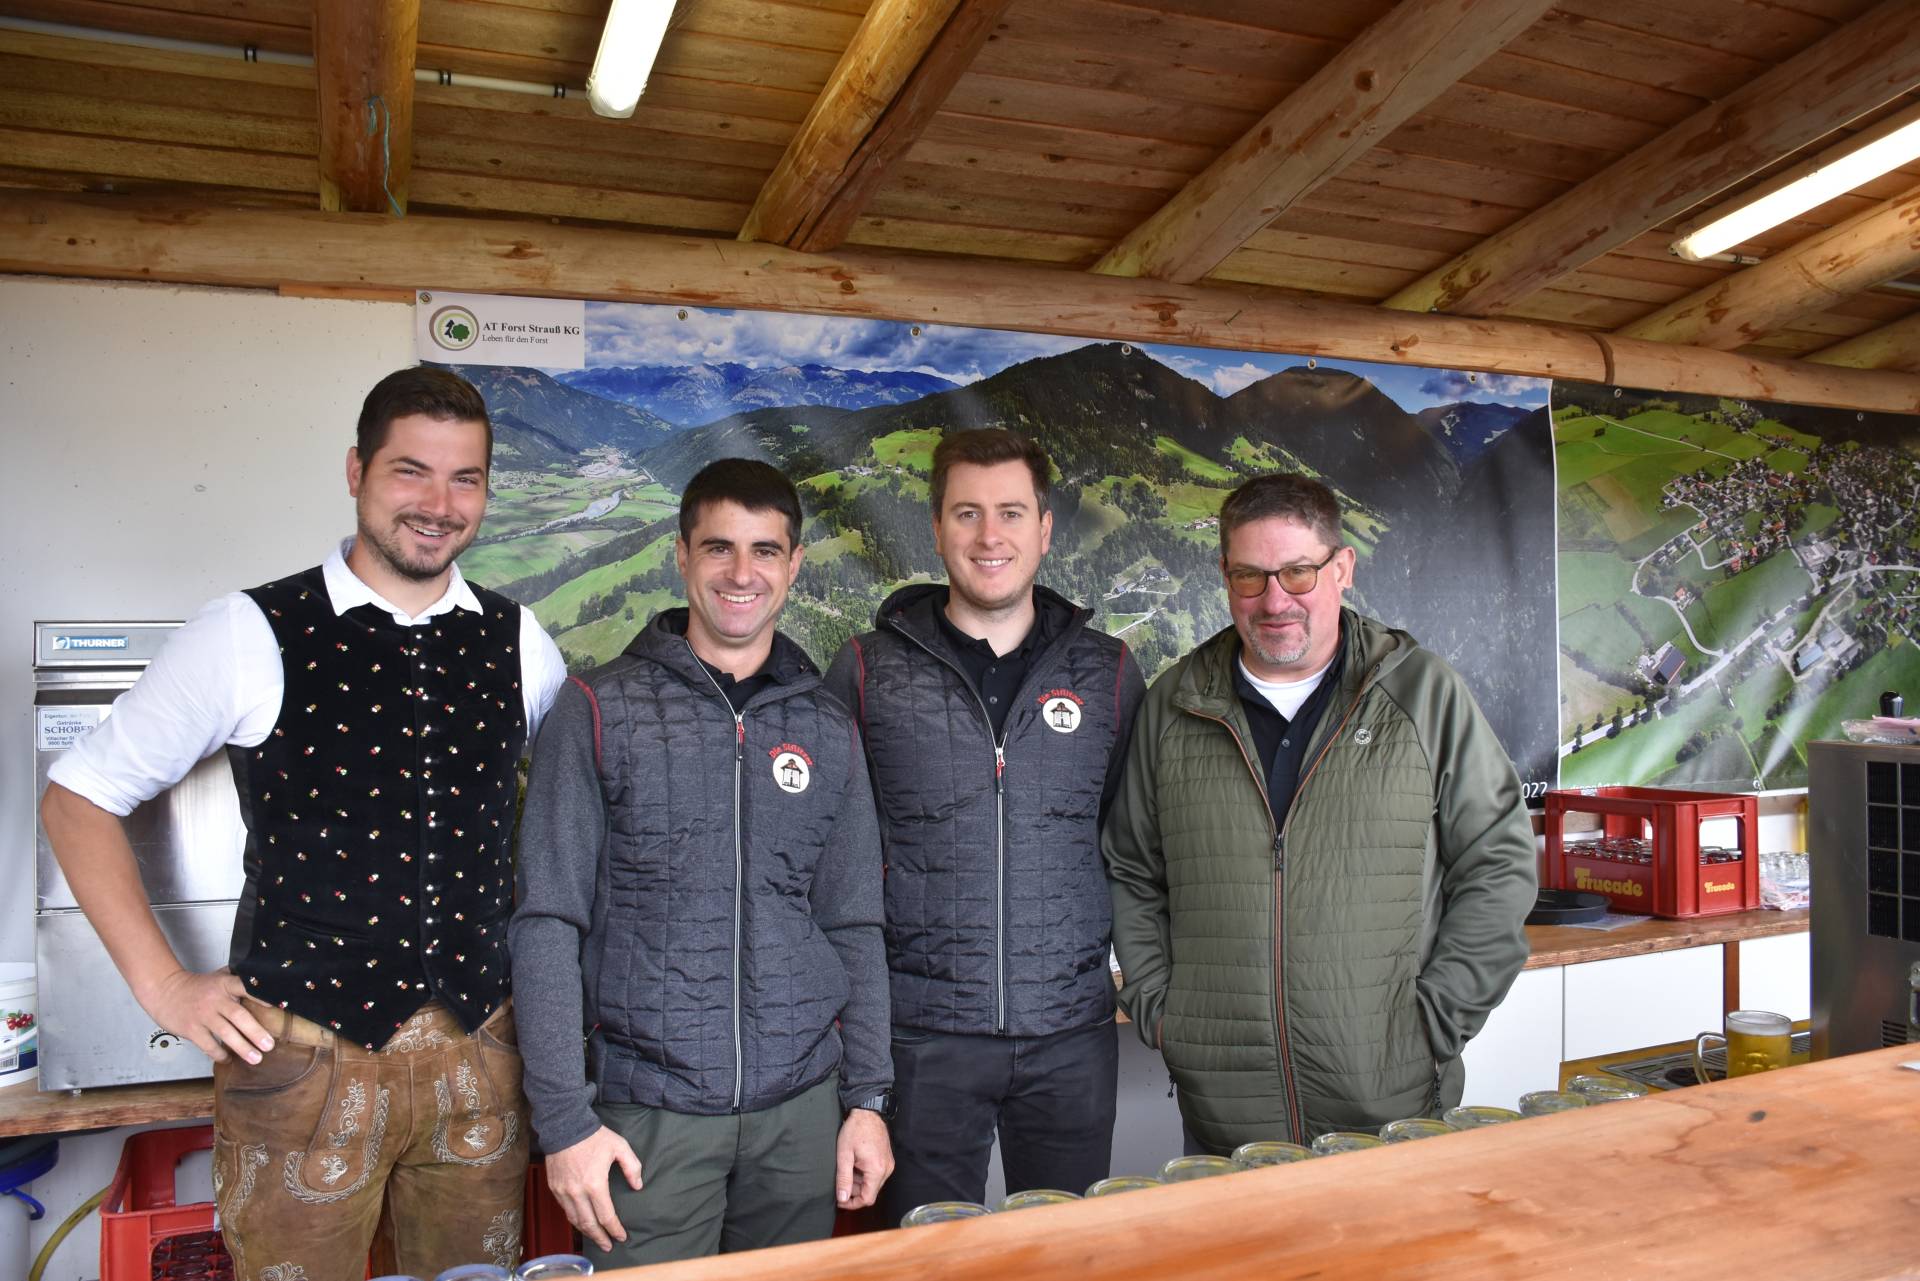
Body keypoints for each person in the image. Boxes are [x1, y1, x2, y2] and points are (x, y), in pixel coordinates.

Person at [40, 366, 568, 1278]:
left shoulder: (519, 640)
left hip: (481, 1058)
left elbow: (573, 822)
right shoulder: (250, 630)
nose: (439, 504)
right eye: (411, 471)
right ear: (357, 470)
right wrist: (165, 986)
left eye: (466, 478)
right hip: (301, 1064)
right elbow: (77, 797)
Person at [509, 458, 893, 1267]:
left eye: (764, 550)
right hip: (646, 1119)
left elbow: (854, 920)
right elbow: (546, 920)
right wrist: (565, 1123)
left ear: (793, 565)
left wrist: (866, 1100)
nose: (741, 572)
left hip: (800, 1115)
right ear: (680, 556)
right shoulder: (597, 708)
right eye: (718, 547)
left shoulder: (827, 726)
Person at [1102, 472, 1536, 1153]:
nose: (1275, 599)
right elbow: (1131, 869)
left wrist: (1432, 1024)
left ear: (1342, 569)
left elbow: (1499, 860)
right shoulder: (1174, 705)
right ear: (1224, 575)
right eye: (1251, 575)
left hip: (1394, 1110)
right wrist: (1164, 1010)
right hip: (1225, 1119)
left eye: (1298, 572)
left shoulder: (1420, 694)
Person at [825, 429, 1144, 1219]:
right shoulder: (866, 668)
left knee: (1070, 1255)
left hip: (1070, 1032)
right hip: (922, 1036)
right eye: (967, 512)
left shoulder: (1106, 672)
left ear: (1044, 528)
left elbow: (1129, 841)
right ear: (936, 528)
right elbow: (833, 859)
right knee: (924, 1261)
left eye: (1010, 512)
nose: (988, 535)